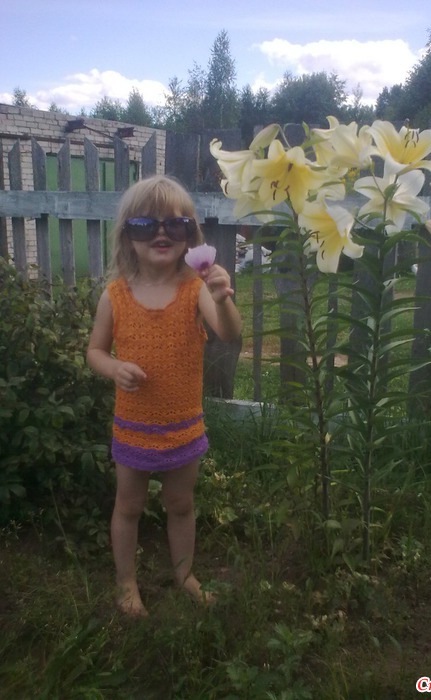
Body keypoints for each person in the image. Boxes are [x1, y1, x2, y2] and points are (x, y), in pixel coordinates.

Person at [87, 175, 242, 616]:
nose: (161, 233)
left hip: (183, 426)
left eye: (175, 225)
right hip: (133, 427)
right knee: (128, 506)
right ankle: (126, 583)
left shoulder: (195, 291)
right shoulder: (115, 296)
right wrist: (114, 367)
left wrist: (223, 298)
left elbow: (229, 333)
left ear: (190, 236)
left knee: (181, 504)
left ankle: (184, 575)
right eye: (145, 224)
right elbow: (94, 351)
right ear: (128, 235)